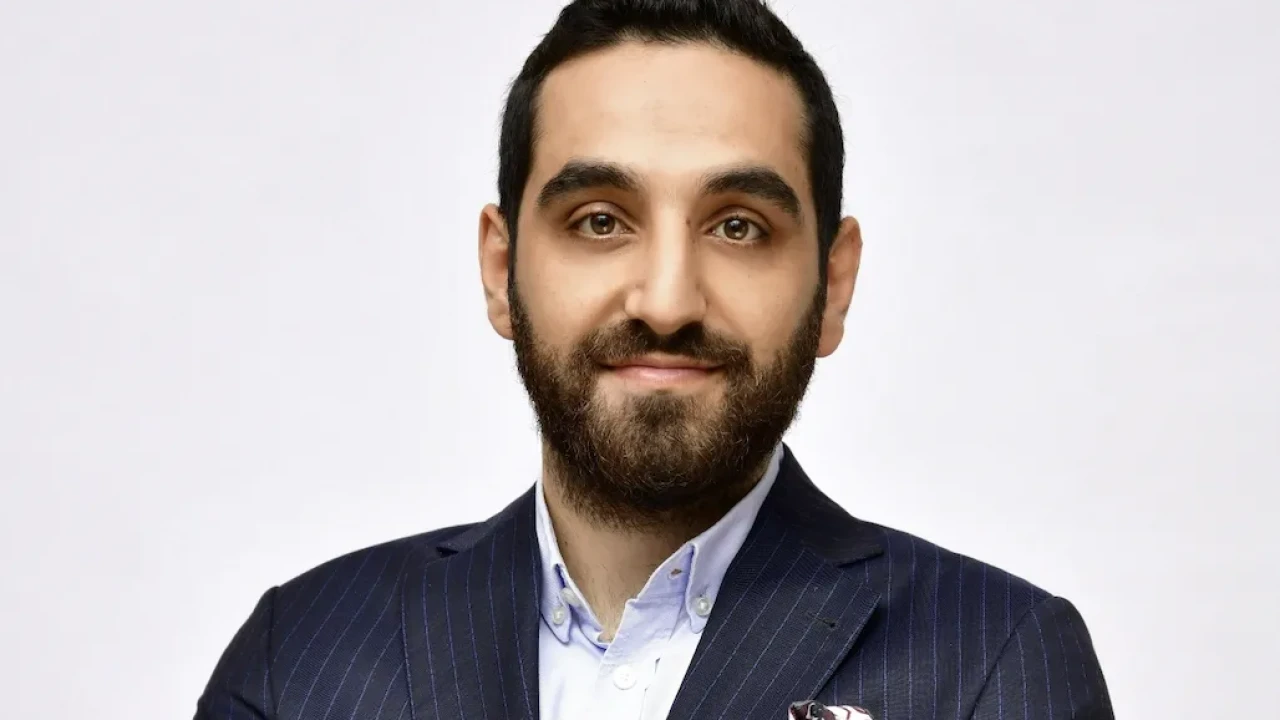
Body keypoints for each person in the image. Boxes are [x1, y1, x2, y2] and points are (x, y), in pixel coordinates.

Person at [195, 1, 1113, 718]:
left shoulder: (994, 662)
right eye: (600, 220)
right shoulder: (300, 660)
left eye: (738, 226)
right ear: (501, 269)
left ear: (832, 285)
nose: (667, 301)